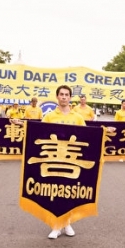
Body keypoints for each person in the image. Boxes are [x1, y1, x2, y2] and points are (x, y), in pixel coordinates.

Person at [42, 85, 86, 239]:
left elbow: (88, 135)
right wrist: (22, 124)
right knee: (55, 192)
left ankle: (66, 223)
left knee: (68, 194)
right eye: (61, 94)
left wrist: (105, 130)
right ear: (57, 96)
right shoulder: (49, 116)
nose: (64, 97)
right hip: (54, 160)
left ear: (70, 97)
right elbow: (38, 131)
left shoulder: (77, 118)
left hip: (72, 161)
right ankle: (56, 225)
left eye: (67, 94)